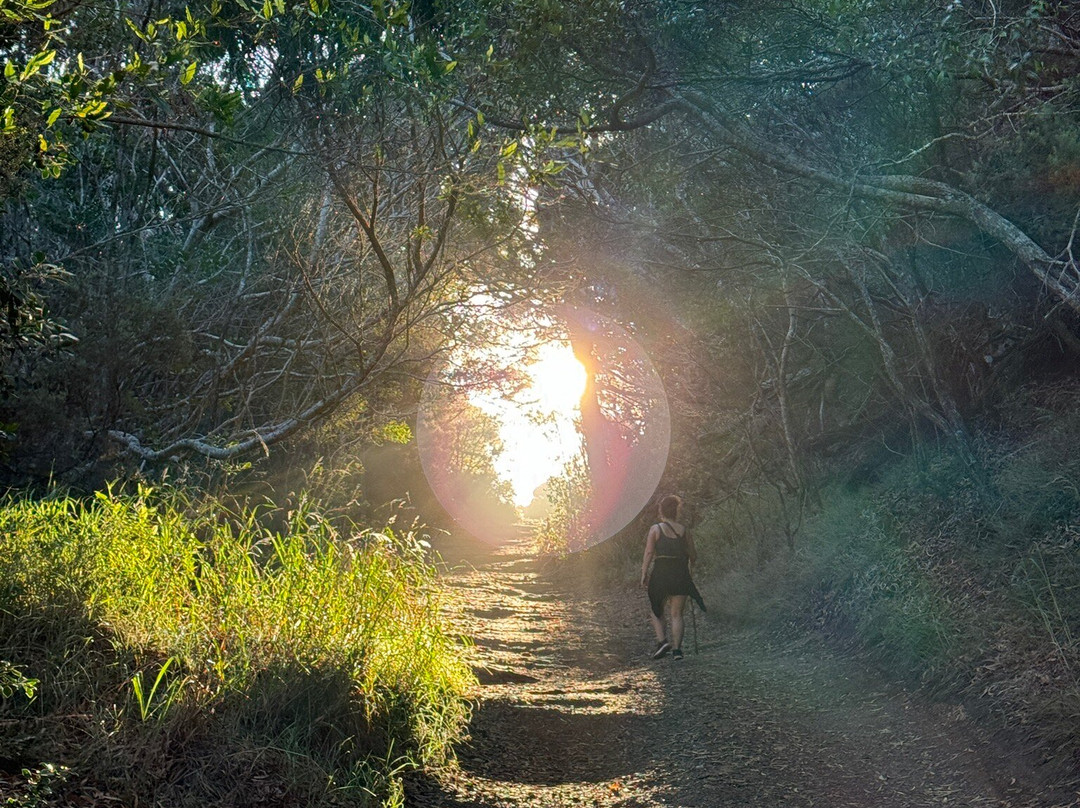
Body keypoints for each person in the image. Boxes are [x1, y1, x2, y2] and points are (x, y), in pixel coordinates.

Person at [640, 494, 705, 660]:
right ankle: (677, 651)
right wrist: (690, 563)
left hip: (661, 572)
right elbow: (694, 555)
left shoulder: (655, 529)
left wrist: (644, 573)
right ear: (676, 511)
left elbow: (648, 552)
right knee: (677, 613)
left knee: (657, 609)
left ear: (661, 510)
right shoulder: (684, 531)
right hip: (680, 573)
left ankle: (662, 642)